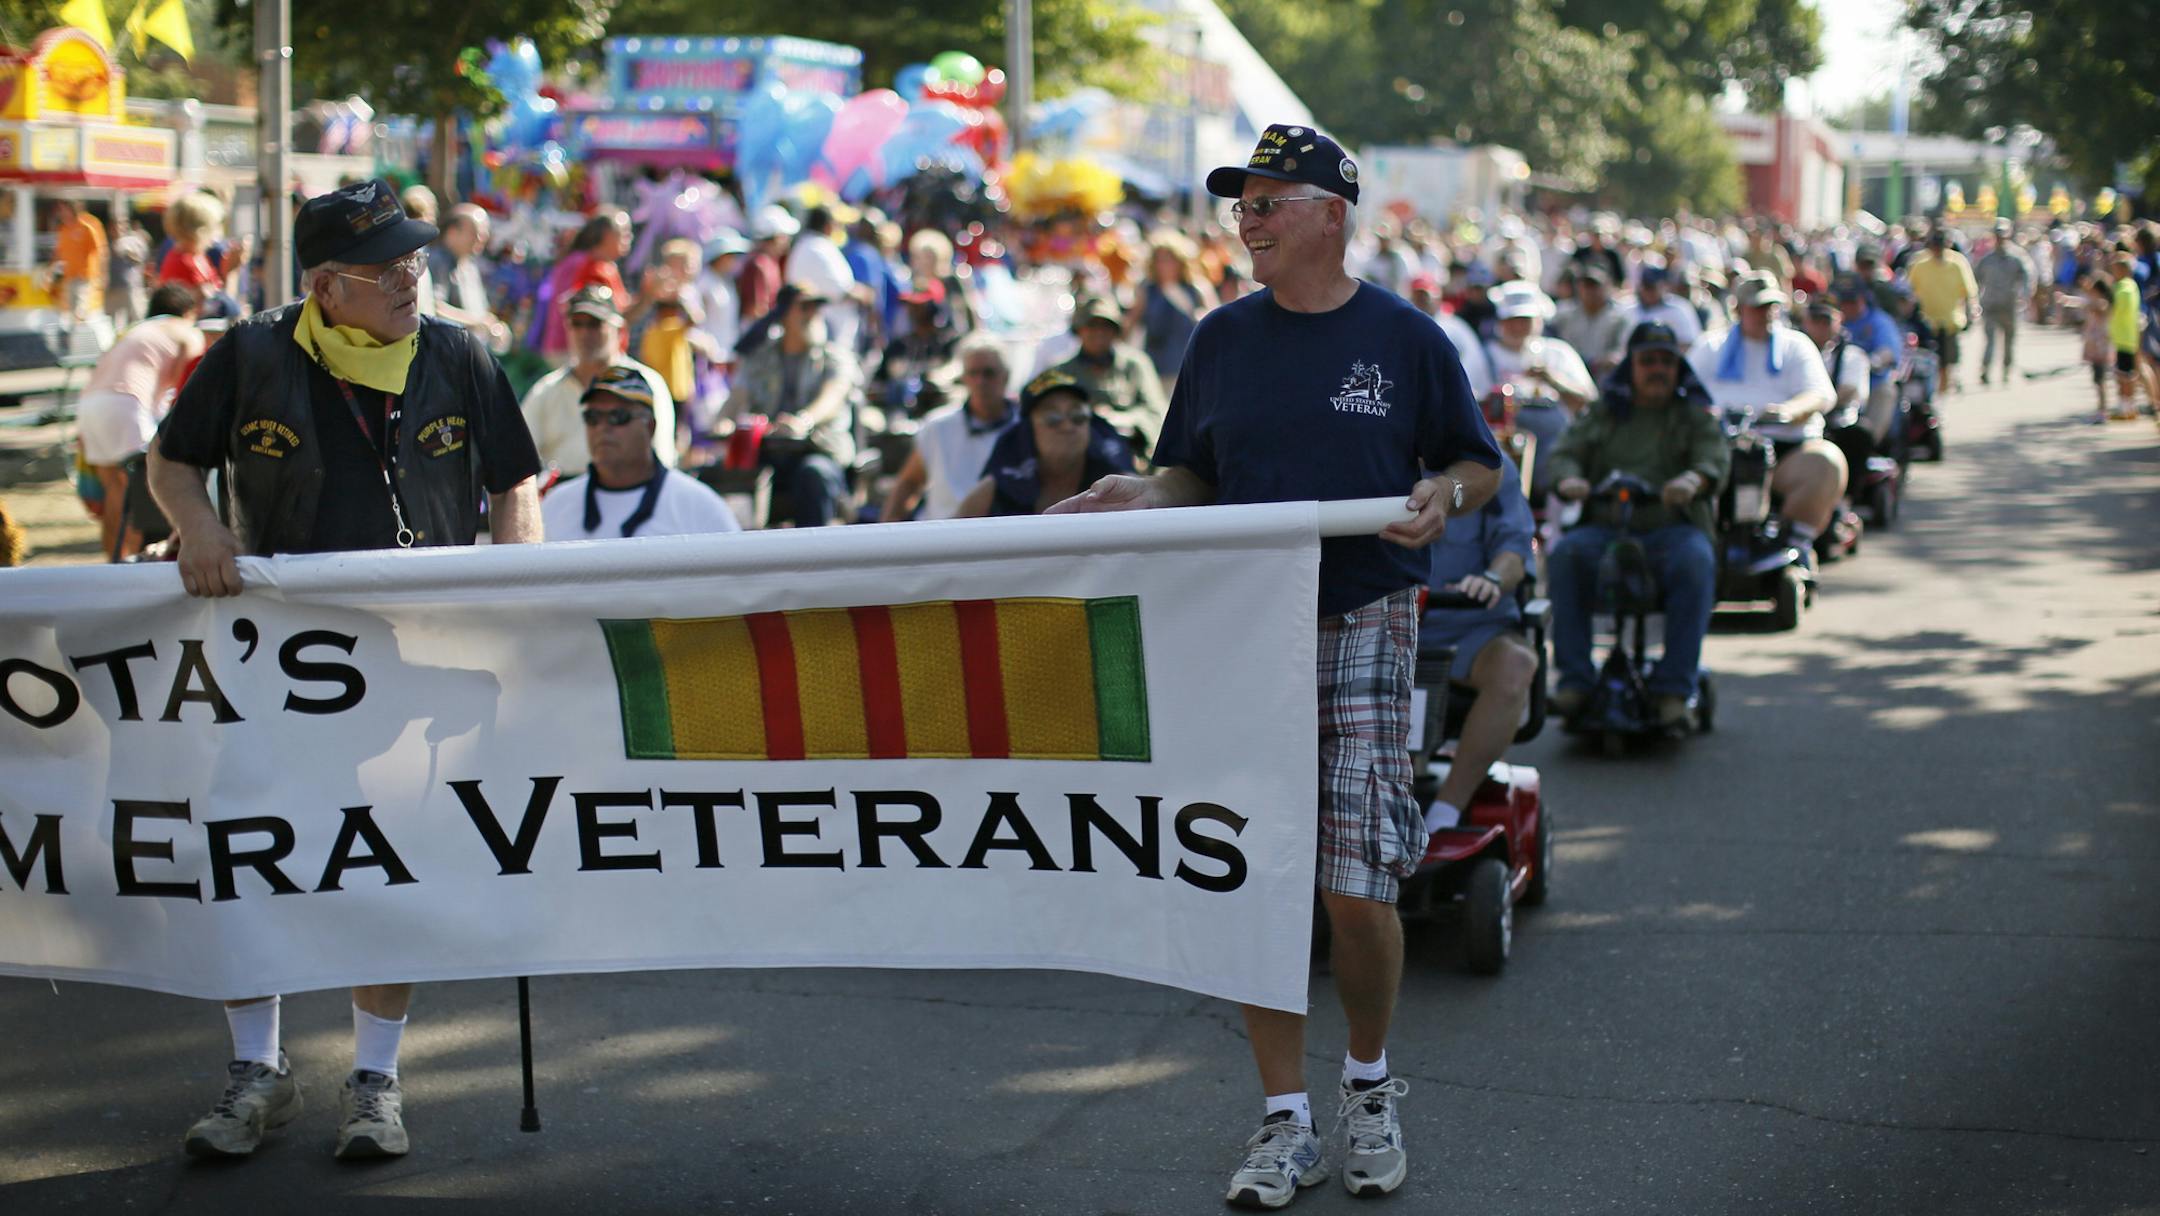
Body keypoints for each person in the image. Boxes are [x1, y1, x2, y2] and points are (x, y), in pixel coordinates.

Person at [1047, 123, 1502, 1208]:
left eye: (1267, 199)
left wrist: (1446, 493)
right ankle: (1283, 1118)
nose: (1245, 217)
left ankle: (1369, 1086)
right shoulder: (1220, 338)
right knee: (1253, 880)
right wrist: (1140, 495)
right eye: (1240, 202)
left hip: (1364, 617)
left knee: (1354, 882)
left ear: (1331, 214)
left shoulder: (1406, 339)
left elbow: (1476, 461)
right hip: (1239, 624)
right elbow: (1188, 476)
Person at [145, 178, 543, 1162]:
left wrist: (513, 586)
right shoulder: (249, 354)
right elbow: (171, 460)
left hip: (417, 652)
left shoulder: (458, 353)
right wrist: (195, 526)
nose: (414, 279)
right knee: (249, 853)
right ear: (326, 287)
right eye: (389, 268)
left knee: (389, 861)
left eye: (418, 260)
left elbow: (514, 480)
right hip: (272, 658)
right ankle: (256, 1071)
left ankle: (375, 1081)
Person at [1547, 322, 1727, 726]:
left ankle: (1674, 691)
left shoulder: (1691, 415)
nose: (1657, 369)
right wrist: (1569, 478)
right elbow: (1565, 452)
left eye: (1666, 361)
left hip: (1670, 530)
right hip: (1608, 526)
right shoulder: (1605, 412)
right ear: (1631, 366)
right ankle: (1574, 683)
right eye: (1648, 361)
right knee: (1566, 554)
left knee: (1696, 559)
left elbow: (1713, 457)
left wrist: (1692, 480)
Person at [1687, 271, 1845, 567]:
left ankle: (1795, 545)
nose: (1766, 314)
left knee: (1827, 462)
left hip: (1782, 449)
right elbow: (1685, 391)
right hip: (1720, 447)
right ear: (1738, 308)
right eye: (1757, 307)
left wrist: (1789, 411)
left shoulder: (1795, 345)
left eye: (1771, 306)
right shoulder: (1711, 346)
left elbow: (1820, 394)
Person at [1416, 452, 1538, 832]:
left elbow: (1515, 552)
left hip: (1469, 629)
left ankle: (1446, 810)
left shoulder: (1491, 465)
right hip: (1377, 626)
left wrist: (1492, 579)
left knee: (1515, 665)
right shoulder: (1371, 454)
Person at [75, 285, 206, 560]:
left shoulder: (137, 331)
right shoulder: (187, 331)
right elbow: (187, 392)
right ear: (189, 312)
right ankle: (136, 567)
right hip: (126, 404)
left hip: (90, 405)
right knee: (141, 495)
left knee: (114, 488)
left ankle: (115, 562)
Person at [540, 365, 741, 540]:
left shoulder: (700, 508)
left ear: (650, 427)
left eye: (618, 416)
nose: (602, 427)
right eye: (592, 417)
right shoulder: (555, 507)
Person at [721, 281, 861, 527]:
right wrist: (723, 422)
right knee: (726, 476)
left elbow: (833, 396)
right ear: (784, 314)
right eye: (805, 307)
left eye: (816, 308)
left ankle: (813, 559)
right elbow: (737, 397)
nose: (812, 315)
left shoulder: (834, 357)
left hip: (820, 450)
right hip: (771, 453)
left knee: (812, 474)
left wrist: (803, 421)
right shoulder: (761, 358)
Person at [520, 287, 677, 478]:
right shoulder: (546, 390)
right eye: (577, 324)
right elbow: (518, 461)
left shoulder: (645, 385)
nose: (585, 333)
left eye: (595, 324)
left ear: (619, 330)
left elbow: (661, 458)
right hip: (561, 496)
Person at [954, 369, 1132, 516]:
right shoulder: (996, 488)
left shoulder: (1118, 480)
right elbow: (950, 540)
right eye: (1053, 417)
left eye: (1077, 415)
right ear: (1028, 430)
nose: (1067, 426)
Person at [882, 335, 1016, 521]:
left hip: (1005, 534)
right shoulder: (938, 427)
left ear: (1006, 376)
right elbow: (909, 483)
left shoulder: (1026, 426)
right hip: (944, 535)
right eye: (973, 373)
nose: (981, 381)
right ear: (964, 378)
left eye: (989, 373)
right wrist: (889, 536)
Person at [1053, 296, 1169, 455]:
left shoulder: (1135, 365)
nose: (1099, 332)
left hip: (1130, 453)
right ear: (1079, 330)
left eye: (1106, 326)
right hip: (1079, 454)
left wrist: (1121, 420)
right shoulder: (1061, 370)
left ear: (1115, 331)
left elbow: (1157, 413)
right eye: (1091, 326)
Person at [534, 210, 632, 361]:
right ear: (606, 235)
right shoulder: (586, 265)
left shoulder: (597, 264)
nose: (629, 237)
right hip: (574, 352)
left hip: (577, 351)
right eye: (624, 232)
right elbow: (589, 312)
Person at [1138, 230, 1217, 392]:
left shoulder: (1197, 288)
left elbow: (1214, 320)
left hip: (1188, 366)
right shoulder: (1148, 290)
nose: (1164, 264)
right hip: (1156, 366)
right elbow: (1132, 322)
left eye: (1169, 259)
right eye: (1159, 259)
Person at [783, 205, 866, 356]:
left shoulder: (803, 246)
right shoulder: (819, 248)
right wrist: (865, 294)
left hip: (812, 327)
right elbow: (842, 290)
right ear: (828, 225)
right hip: (827, 328)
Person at [1834, 274, 1905, 445]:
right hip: (1838, 383)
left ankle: (1869, 445)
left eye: (1852, 301)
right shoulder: (1833, 322)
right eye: (1843, 301)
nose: (1847, 306)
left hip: (1873, 384)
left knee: (1887, 391)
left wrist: (1872, 361)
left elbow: (1889, 351)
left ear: (1862, 298)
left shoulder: (1878, 321)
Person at [868, 280, 955, 418]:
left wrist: (940, 376)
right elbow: (877, 383)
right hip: (899, 414)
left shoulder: (950, 344)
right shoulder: (898, 346)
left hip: (938, 413)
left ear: (934, 308)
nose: (912, 311)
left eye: (919, 306)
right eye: (911, 306)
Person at [1907, 228, 1978, 394]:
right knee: (1927, 360)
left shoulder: (1957, 263)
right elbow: (1910, 290)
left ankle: (1943, 390)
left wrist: (1971, 313)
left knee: (1947, 361)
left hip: (1950, 320)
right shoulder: (1920, 263)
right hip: (1926, 321)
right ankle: (1933, 391)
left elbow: (1969, 292)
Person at [426, 204, 507, 349]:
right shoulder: (438, 261)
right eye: (475, 232)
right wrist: (476, 322)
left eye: (484, 233)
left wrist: (493, 326)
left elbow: (481, 313)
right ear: (452, 233)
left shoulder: (470, 267)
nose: (482, 238)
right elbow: (433, 309)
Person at [1406, 274, 1493, 399]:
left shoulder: (1451, 327)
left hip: (1466, 394)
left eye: (1425, 296)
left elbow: (1471, 365)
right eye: (1418, 297)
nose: (1422, 301)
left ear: (1438, 297)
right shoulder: (1414, 326)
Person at [1975, 220, 2034, 386]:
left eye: (2003, 235)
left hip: (2010, 304)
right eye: (1998, 236)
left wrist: (2025, 295)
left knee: (2009, 341)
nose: (2001, 239)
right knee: (1990, 340)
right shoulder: (1987, 259)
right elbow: (1976, 279)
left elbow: (2028, 277)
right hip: (1991, 304)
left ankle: (2007, 370)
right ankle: (1985, 370)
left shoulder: (2017, 257)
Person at [1549, 263, 1631, 380]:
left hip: (1604, 378)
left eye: (1594, 286)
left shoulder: (1618, 318)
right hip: (1569, 376)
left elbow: (1620, 354)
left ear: (1606, 286)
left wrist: (1596, 364)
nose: (1589, 291)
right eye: (1585, 286)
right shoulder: (1564, 315)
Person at [1625, 257, 1701, 354]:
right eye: (1645, 287)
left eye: (1652, 287)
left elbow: (1689, 344)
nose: (1648, 292)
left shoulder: (1680, 308)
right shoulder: (1629, 309)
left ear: (1664, 286)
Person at [49, 199, 107, 321]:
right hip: (68, 276)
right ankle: (74, 337)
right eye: (60, 210)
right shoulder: (63, 229)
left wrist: (103, 274)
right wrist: (49, 270)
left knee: (80, 311)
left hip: (83, 276)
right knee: (68, 312)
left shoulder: (86, 228)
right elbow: (58, 253)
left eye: (64, 209)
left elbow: (100, 252)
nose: (62, 213)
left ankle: (80, 337)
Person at [739, 205, 798, 323]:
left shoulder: (770, 263)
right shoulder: (759, 264)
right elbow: (754, 310)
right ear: (776, 237)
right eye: (785, 236)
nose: (787, 241)